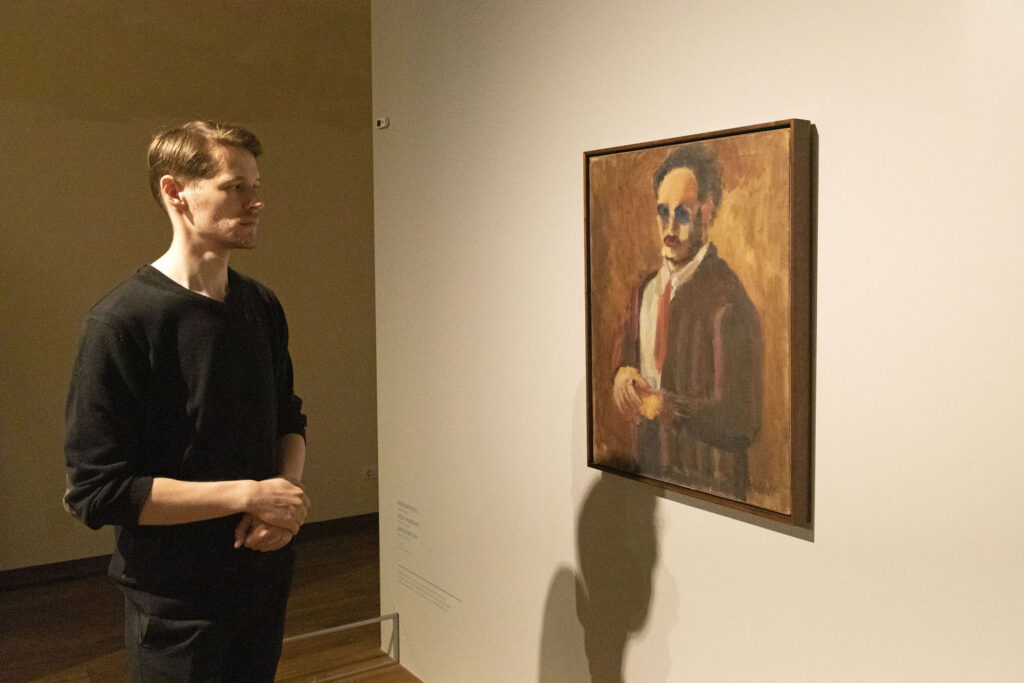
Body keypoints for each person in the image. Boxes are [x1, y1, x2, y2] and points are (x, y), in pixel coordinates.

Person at [63, 121, 311, 681]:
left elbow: (288, 416)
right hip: (176, 599)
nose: (256, 201)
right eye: (233, 187)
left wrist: (284, 504)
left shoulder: (260, 305)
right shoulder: (122, 322)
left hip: (262, 574)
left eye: (255, 185)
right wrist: (250, 494)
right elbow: (99, 491)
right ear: (175, 191)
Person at [612, 143, 762, 501]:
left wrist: (671, 408)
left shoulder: (729, 304)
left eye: (682, 214)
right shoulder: (644, 292)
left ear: (707, 212)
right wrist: (621, 374)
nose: (668, 227)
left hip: (711, 494)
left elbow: (743, 422)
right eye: (662, 212)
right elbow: (626, 363)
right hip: (646, 488)